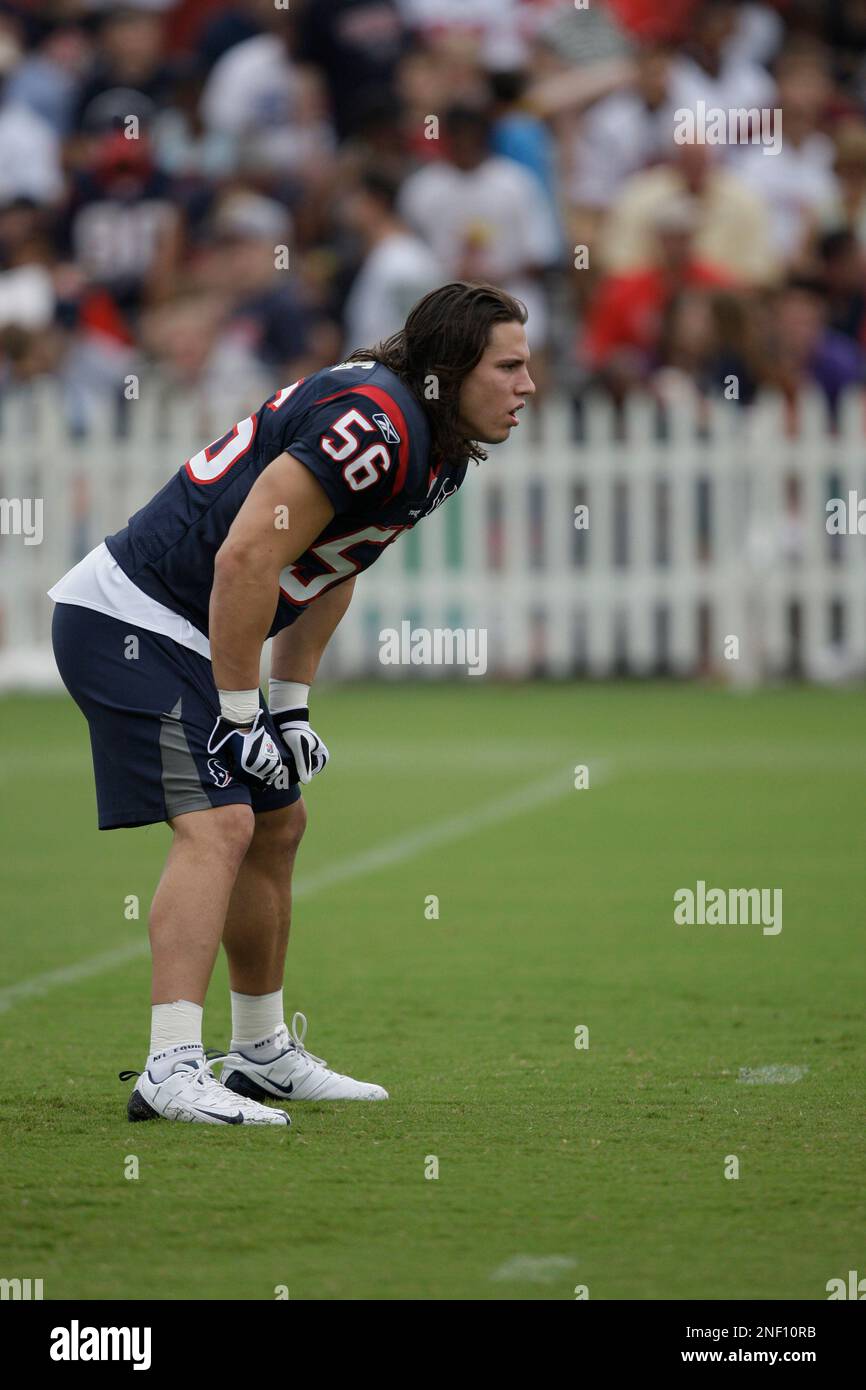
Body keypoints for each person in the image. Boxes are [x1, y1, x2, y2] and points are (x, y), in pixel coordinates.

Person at [47, 281, 535, 1126]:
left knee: (278, 822)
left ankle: (261, 1053)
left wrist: (292, 704)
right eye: (510, 365)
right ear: (451, 368)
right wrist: (243, 715)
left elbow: (331, 566)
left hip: (200, 629)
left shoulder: (438, 446)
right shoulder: (374, 427)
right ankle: (169, 1065)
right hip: (133, 618)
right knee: (221, 823)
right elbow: (245, 559)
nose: (528, 384)